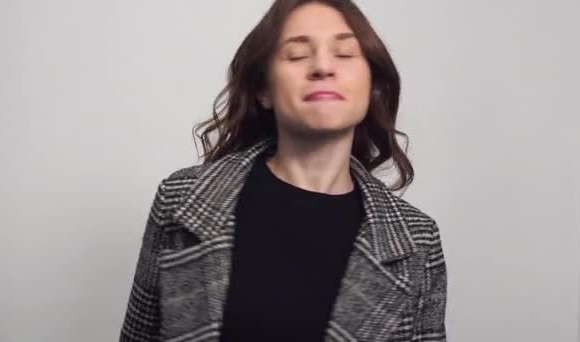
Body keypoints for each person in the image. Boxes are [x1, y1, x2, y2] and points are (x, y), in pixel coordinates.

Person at [119, 0, 447, 341]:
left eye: (345, 54)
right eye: (297, 54)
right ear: (264, 90)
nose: (322, 66)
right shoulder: (181, 199)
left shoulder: (417, 240)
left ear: (373, 87)